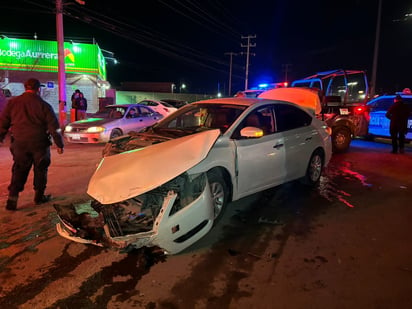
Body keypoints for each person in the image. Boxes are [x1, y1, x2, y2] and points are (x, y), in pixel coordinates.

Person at [0, 78, 64, 211]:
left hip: (19, 143)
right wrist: (59, 143)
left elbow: (3, 122)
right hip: (39, 143)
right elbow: (54, 126)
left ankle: (12, 200)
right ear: (38, 89)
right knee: (41, 169)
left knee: (18, 170)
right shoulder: (44, 105)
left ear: (25, 87)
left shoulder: (13, 103)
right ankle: (38, 197)